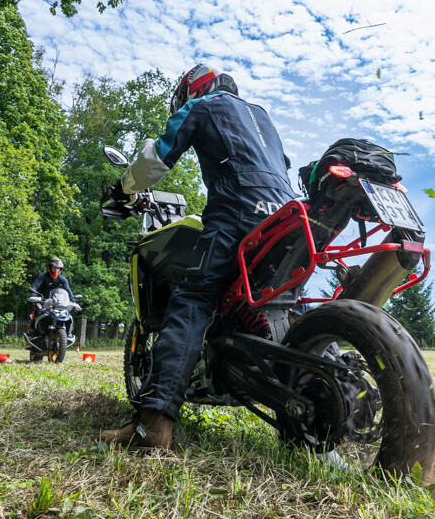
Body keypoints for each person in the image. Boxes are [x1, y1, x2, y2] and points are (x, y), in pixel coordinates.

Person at [100, 64, 295, 450]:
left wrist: (124, 189)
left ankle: (153, 425)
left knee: (191, 302)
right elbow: (281, 167)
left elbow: (157, 157)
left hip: (237, 213)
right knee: (282, 300)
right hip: (285, 218)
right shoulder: (262, 117)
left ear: (193, 88)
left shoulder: (204, 105)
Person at [28, 257, 74, 329]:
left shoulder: (61, 278)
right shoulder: (43, 276)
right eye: (54, 268)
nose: (56, 270)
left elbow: (68, 289)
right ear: (50, 268)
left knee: (62, 313)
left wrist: (73, 301)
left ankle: (63, 330)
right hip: (42, 298)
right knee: (37, 312)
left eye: (58, 268)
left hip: (54, 300)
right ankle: (33, 330)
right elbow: (35, 286)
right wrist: (32, 295)